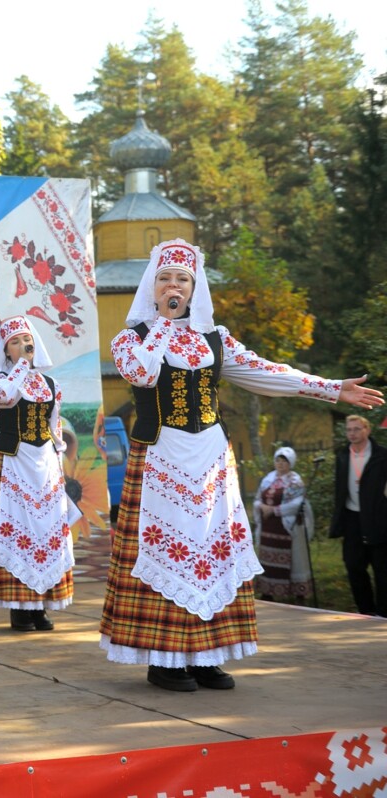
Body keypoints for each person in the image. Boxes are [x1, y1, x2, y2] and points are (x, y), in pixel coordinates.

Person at [101, 238, 383, 693]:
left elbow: (268, 372)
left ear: (195, 288)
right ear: (152, 286)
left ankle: (208, 656)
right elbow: (141, 374)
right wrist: (164, 326)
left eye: (183, 280)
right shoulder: (130, 338)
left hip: (210, 459)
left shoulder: (216, 338)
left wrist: (331, 388)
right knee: (168, 553)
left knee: (212, 555)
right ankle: (166, 660)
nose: (174, 285)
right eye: (166, 279)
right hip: (160, 458)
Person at [0, 316, 80, 632]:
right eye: (16, 342)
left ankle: (41, 605)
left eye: (27, 340)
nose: (23, 346)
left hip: (44, 463)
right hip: (13, 462)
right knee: (17, 529)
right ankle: (20, 607)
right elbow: (6, 397)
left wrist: (58, 458)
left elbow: (54, 424)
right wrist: (21, 367)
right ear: (5, 349)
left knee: (46, 530)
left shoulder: (50, 384)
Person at [330, 415, 387, 616]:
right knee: (354, 567)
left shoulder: (382, 456)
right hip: (352, 519)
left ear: (367, 430)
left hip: (378, 519)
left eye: (356, 429)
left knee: (382, 570)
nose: (352, 433)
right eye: (349, 430)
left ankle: (383, 614)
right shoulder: (343, 455)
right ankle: (366, 612)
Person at [253, 447, 313, 602]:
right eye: (277, 460)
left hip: (287, 527)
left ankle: (298, 593)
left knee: (294, 560)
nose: (280, 464)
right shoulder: (268, 478)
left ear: (290, 463)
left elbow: (298, 503)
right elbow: (258, 498)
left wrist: (274, 510)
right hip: (268, 527)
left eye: (284, 461)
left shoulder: (295, 481)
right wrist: (261, 507)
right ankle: (268, 592)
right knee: (268, 558)